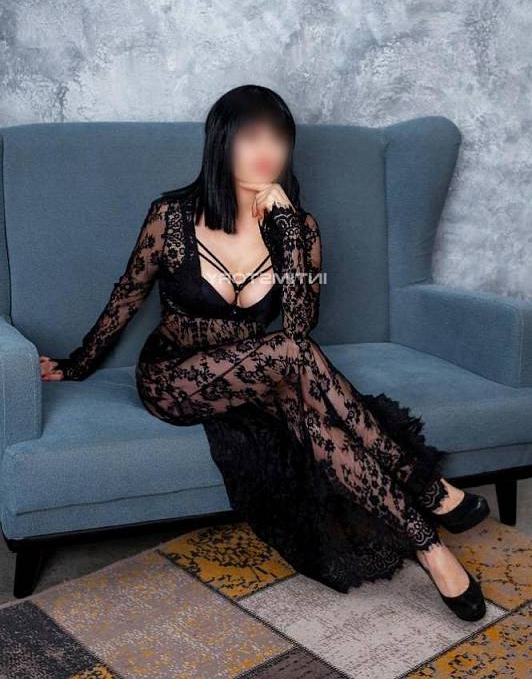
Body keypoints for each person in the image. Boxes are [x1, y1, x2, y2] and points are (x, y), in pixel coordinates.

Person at [41, 85, 490, 620]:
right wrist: (76, 364)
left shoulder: (300, 229)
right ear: (222, 141)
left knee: (319, 423)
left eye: (278, 137)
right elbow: (127, 296)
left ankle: (429, 546)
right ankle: (425, 484)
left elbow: (299, 327)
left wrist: (288, 231)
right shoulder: (173, 216)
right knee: (293, 359)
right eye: (251, 135)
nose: (266, 150)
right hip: (175, 379)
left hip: (261, 370)